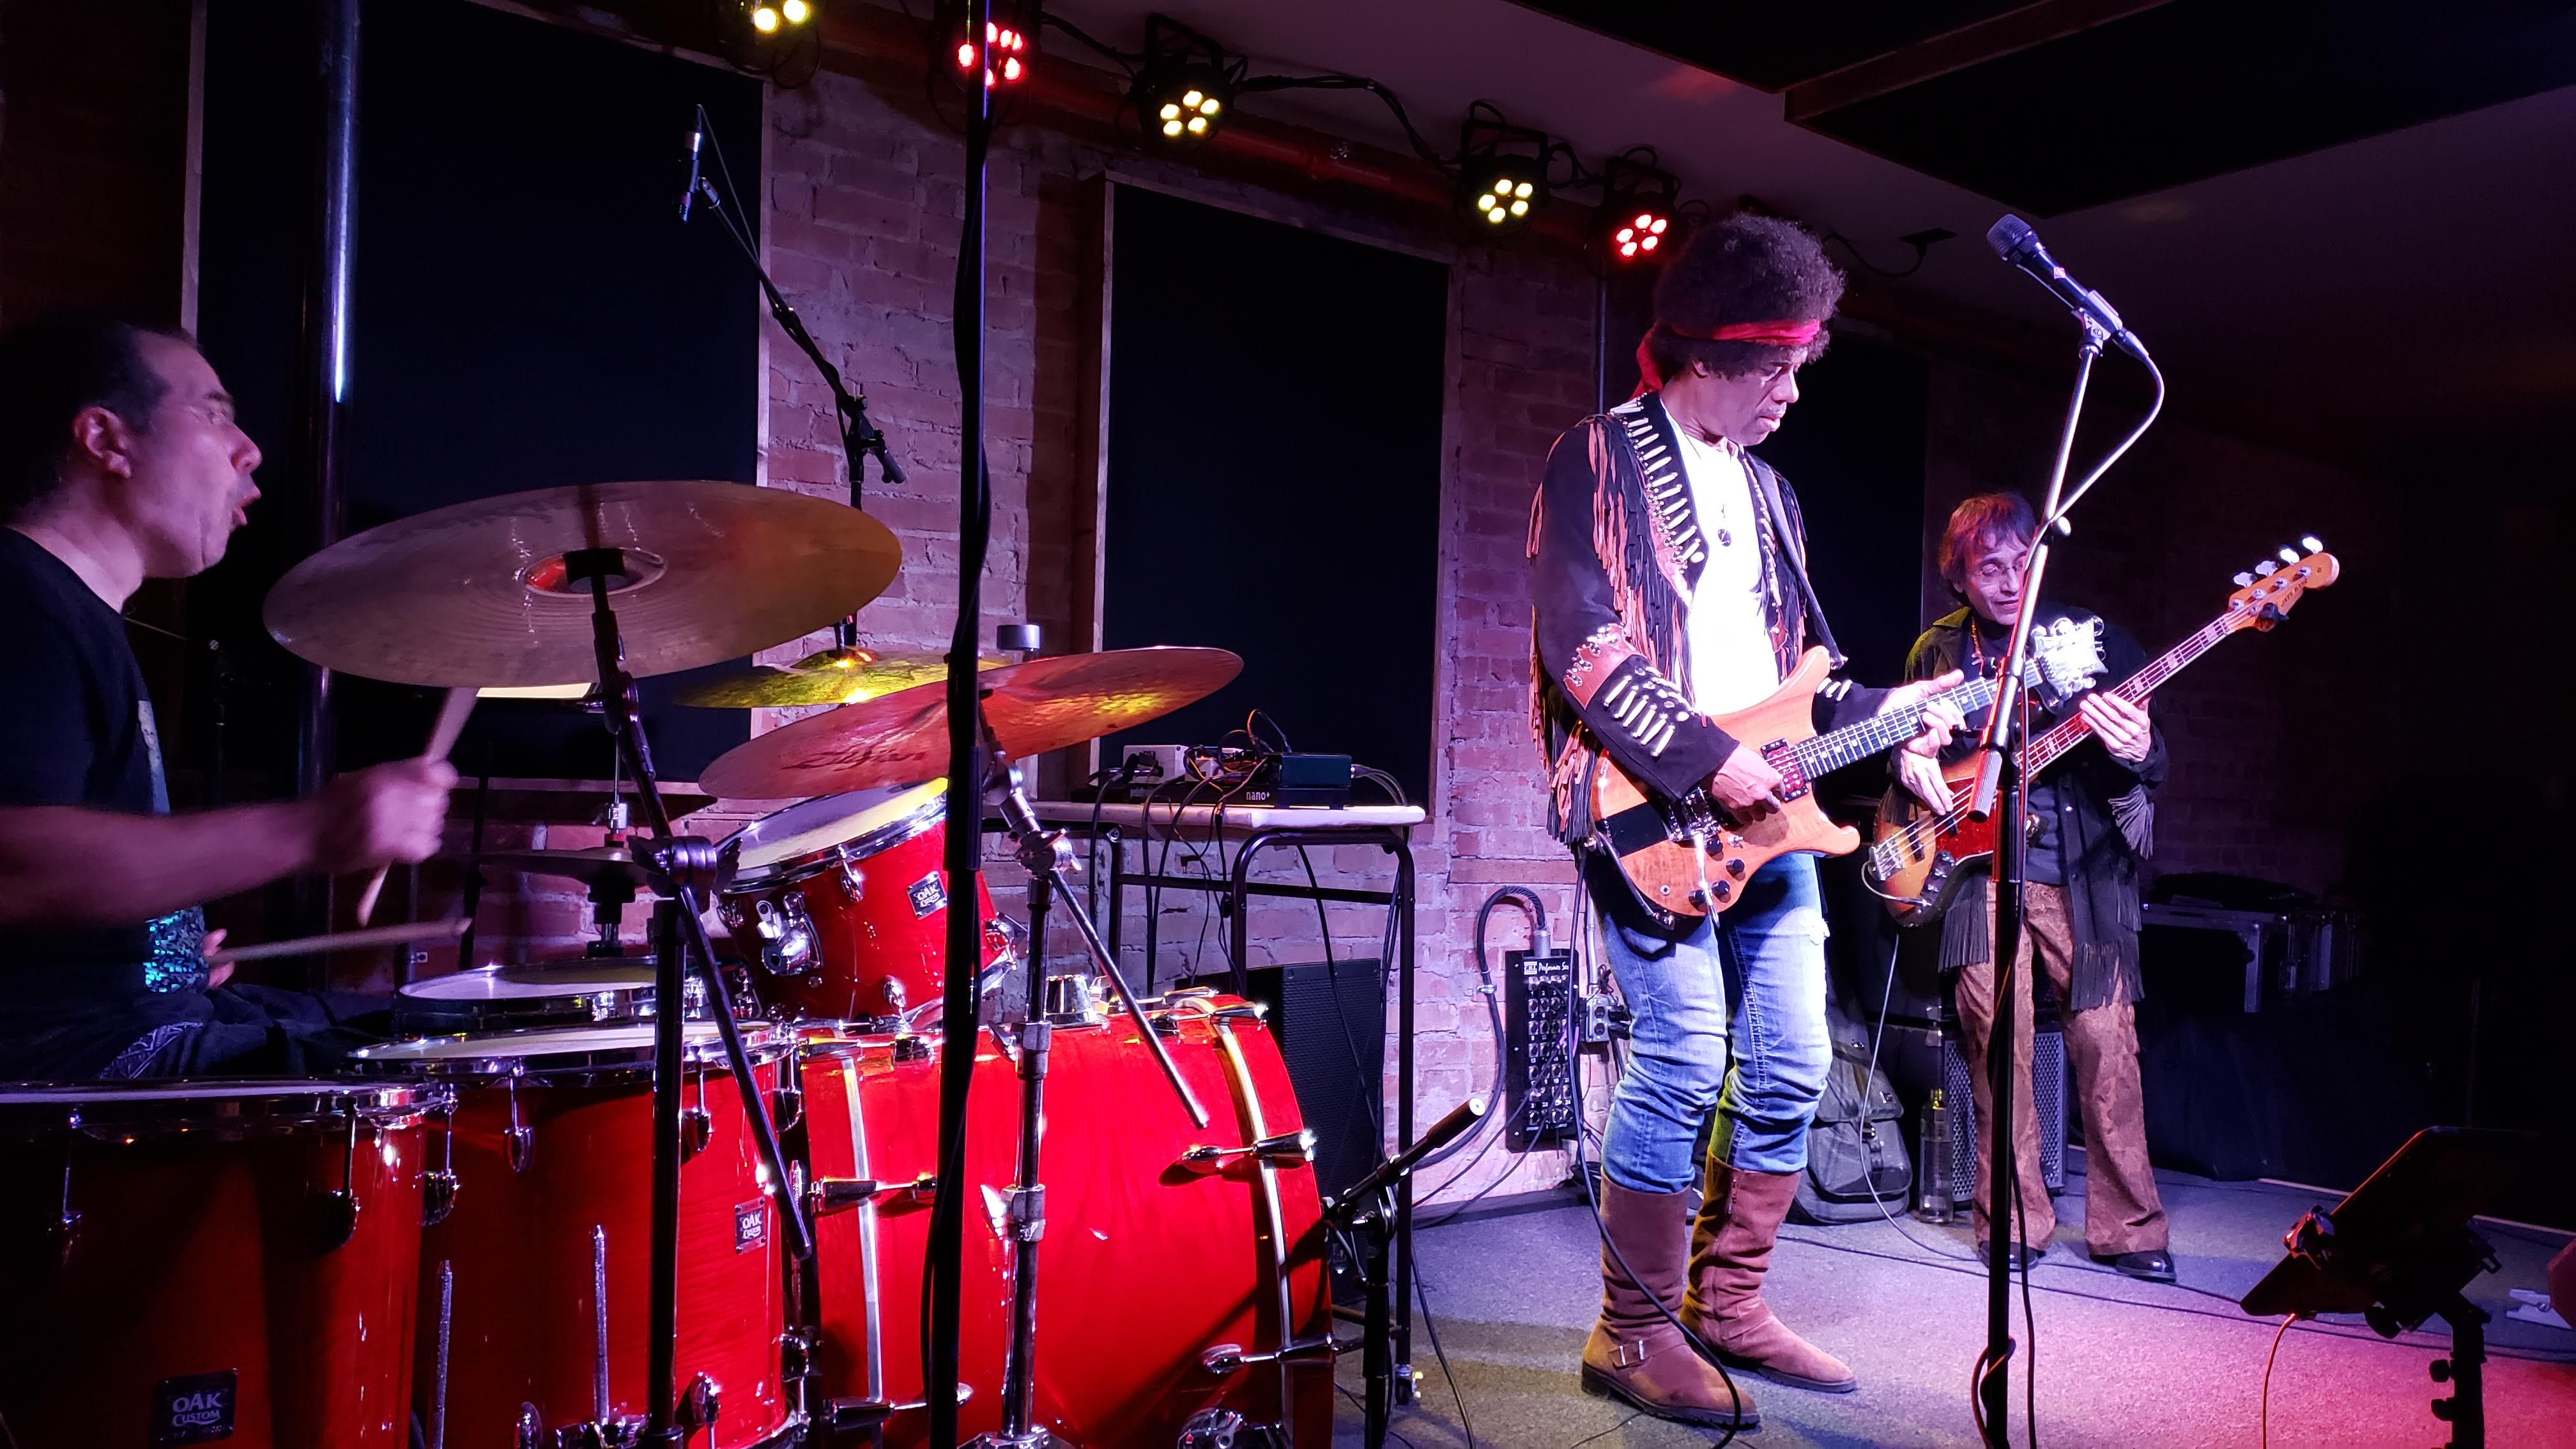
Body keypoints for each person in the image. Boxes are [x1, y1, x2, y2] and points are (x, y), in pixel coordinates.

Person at [1529, 214, 1964, 1430]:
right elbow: (1581, 643)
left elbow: (1805, 684)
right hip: (1648, 806)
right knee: (1680, 1056)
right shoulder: (1597, 455)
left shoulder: (1772, 495)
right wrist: (1706, 760)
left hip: (1769, 820)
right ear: (1714, 350)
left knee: (1792, 1061)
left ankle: (1725, 1303)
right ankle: (1630, 1334)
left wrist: (1900, 717)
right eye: (1778, 367)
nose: (1791, 392)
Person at [0, 312, 454, 1080]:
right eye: (214, 416)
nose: (250, 450)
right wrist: (315, 829)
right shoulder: (18, 598)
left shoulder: (76, 613)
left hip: (129, 1018)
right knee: (444, 1070)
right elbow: (15, 869)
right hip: (64, 1061)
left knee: (458, 1027)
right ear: (106, 439)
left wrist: (158, 949)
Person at [1889, 491, 2174, 1282]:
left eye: (2023, 563)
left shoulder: (2091, 638)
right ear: (1958, 577)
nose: (2011, 582)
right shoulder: (1937, 652)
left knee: (2108, 1046)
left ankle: (2131, 1229)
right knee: (1996, 1048)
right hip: (1979, 874)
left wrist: (2140, 748)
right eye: (1990, 569)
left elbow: (2151, 757)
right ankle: (2011, 1221)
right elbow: (1902, 747)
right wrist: (1906, 760)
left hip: (2081, 874)